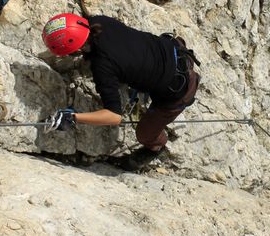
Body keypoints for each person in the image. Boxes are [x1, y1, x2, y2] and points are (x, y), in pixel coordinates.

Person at [40, 13, 200, 167]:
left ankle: (156, 147)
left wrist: (73, 117)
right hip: (173, 49)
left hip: (178, 90)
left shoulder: (102, 66)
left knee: (144, 134)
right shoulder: (98, 21)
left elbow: (113, 116)